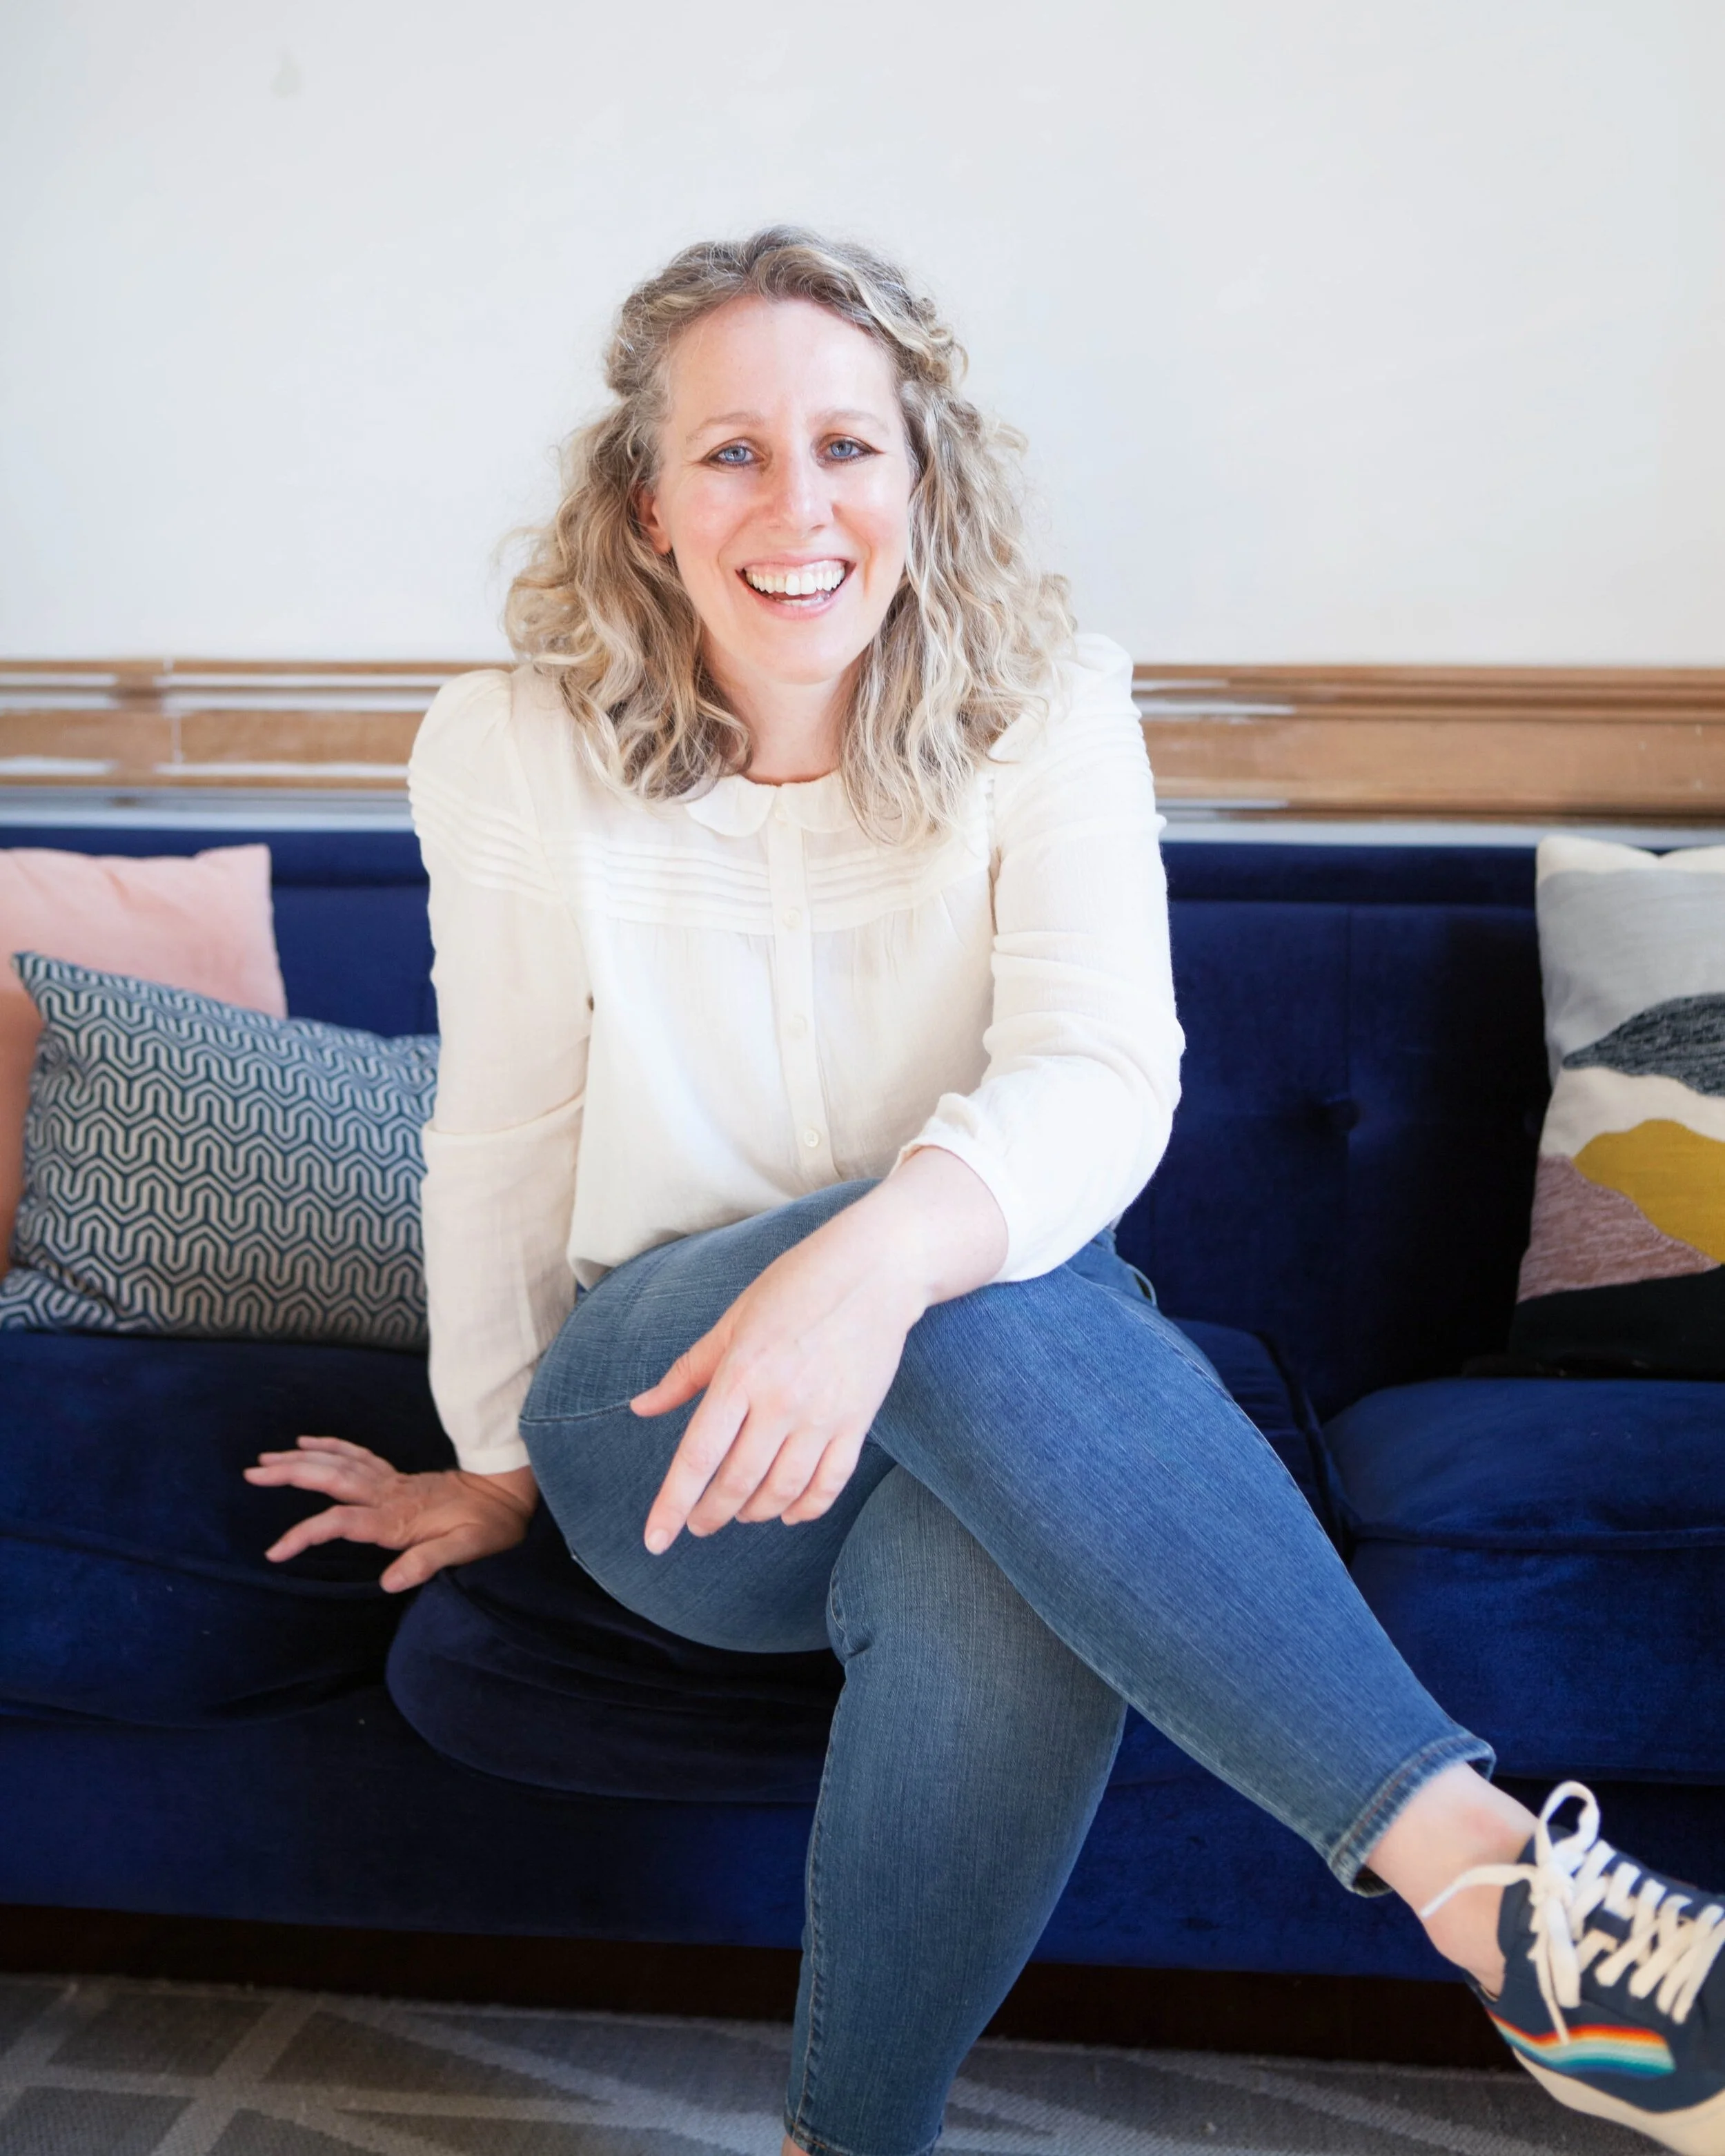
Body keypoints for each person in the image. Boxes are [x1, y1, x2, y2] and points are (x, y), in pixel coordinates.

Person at [247, 228, 1725, 2156]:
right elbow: (504, 1125)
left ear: (920, 478)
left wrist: (874, 1263)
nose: (799, 506)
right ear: (644, 502)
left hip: (977, 1377)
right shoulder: (510, 747)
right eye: (732, 453)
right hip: (671, 1426)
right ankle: (1492, 1879)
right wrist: (502, 1451)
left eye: (849, 446)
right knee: (980, 1288)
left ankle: (845, 2138)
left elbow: (1105, 1072)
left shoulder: (1049, 708)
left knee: (990, 1542)